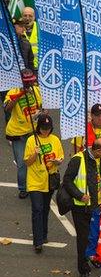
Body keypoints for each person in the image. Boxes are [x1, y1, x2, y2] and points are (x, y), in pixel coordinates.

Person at [63, 139, 101, 277]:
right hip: (82, 208)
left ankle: (95, 257)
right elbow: (67, 181)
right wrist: (79, 195)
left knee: (99, 236)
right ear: (98, 151)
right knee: (84, 239)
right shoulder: (78, 160)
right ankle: (83, 268)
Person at [24, 114, 63, 253]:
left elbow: (61, 158)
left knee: (45, 209)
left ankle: (43, 234)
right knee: (37, 209)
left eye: (48, 128)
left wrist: (57, 161)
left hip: (49, 181)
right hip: (35, 181)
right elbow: (27, 162)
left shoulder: (55, 140)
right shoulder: (31, 140)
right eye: (43, 128)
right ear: (38, 127)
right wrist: (35, 154)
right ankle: (38, 241)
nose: (45, 131)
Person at [4, 69, 41, 198]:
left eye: (31, 82)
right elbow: (7, 108)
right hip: (18, 134)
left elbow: (42, 108)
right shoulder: (13, 91)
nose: (29, 85)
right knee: (22, 163)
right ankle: (23, 188)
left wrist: (41, 114)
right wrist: (20, 94)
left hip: (33, 131)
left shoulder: (36, 91)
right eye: (27, 83)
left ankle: (34, 186)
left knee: (35, 160)